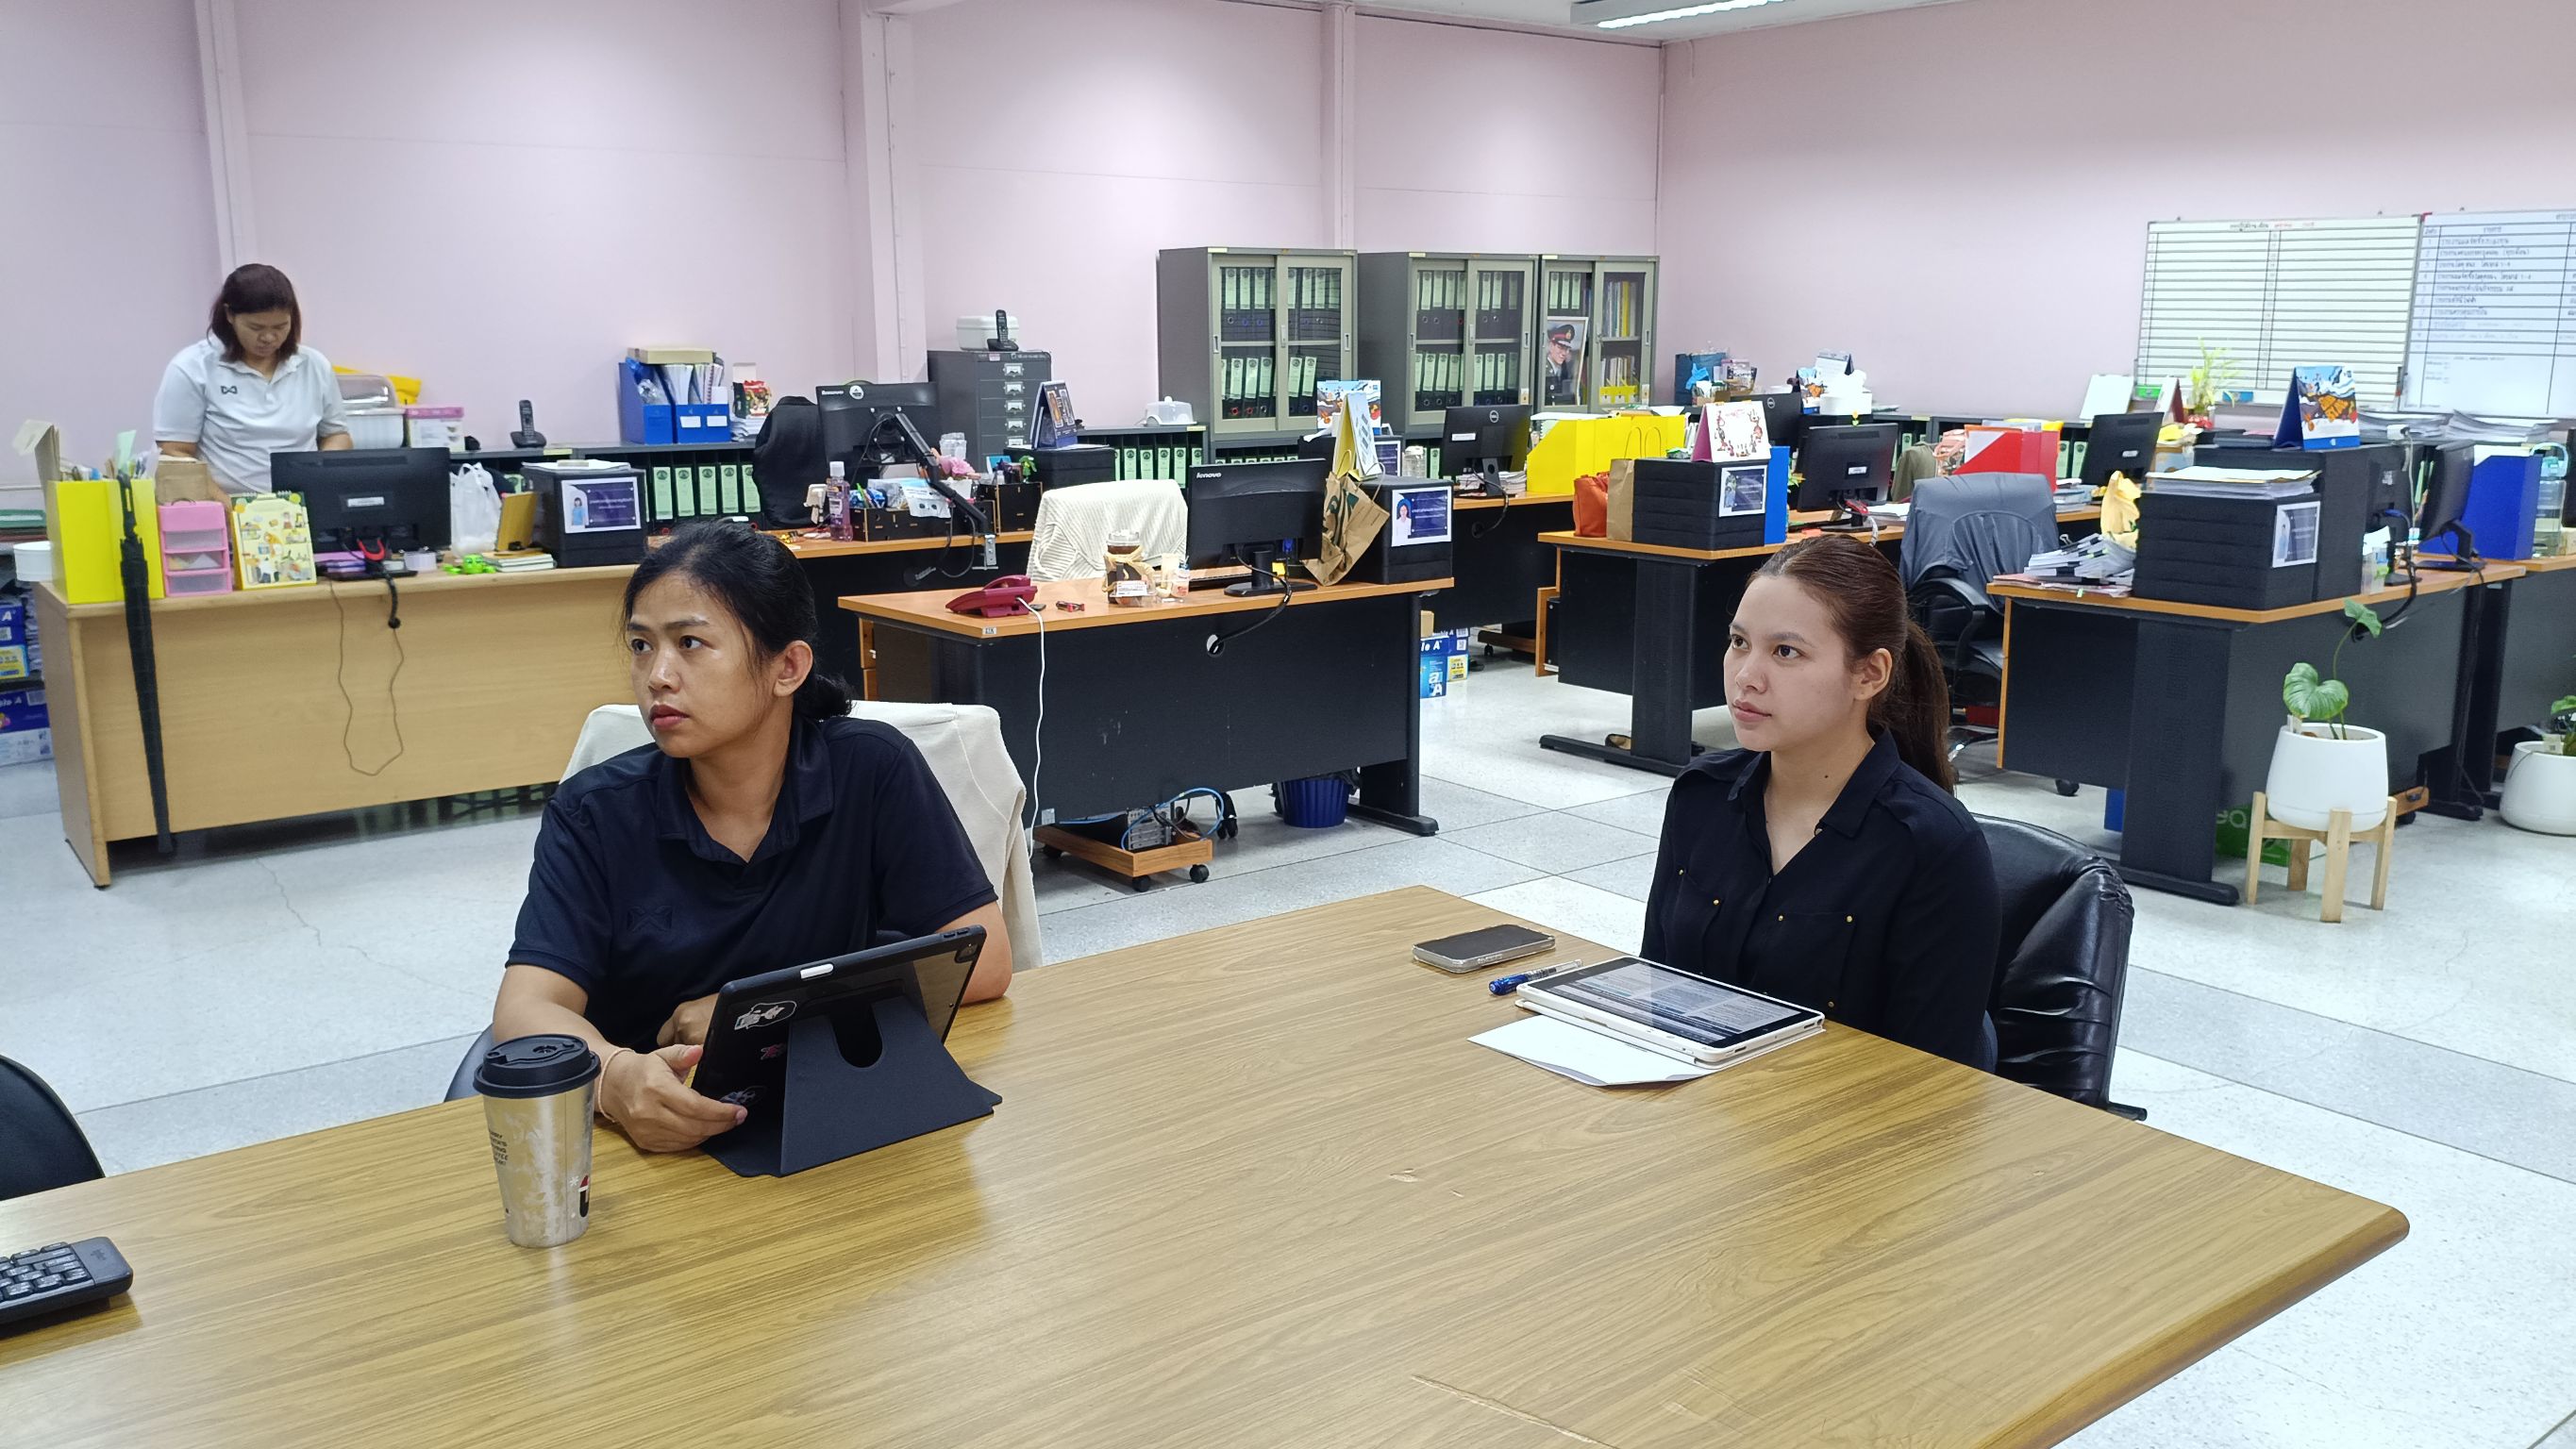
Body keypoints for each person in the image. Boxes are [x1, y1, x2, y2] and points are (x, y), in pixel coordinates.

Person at [492, 521, 1014, 1152]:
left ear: (787, 666)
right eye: (640, 646)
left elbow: (984, 961)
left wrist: (758, 1015)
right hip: (652, 1134)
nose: (657, 675)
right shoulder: (594, 812)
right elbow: (525, 1011)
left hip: (824, 1111)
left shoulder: (872, 769)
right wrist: (611, 1077)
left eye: (690, 643)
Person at [1640, 535, 1999, 1069]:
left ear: (1869, 674)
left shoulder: (1933, 846)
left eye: (1786, 652)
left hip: (1845, 1116)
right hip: (1694, 1102)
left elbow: (1931, 1079)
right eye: (1739, 642)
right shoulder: (1701, 796)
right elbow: (1655, 989)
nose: (1746, 676)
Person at [153, 263, 352, 495]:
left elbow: (336, 435)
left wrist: (319, 479)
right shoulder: (193, 367)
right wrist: (226, 506)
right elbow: (175, 452)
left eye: (280, 326)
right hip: (225, 503)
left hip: (300, 504)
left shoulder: (313, 365)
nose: (269, 337)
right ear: (230, 315)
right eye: (256, 327)